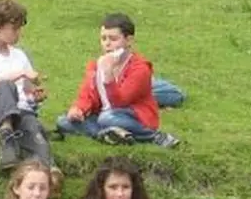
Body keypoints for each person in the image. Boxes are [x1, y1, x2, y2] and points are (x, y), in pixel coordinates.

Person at [59, 13, 180, 148]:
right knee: (64, 121)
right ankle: (110, 134)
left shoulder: (140, 68)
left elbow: (120, 102)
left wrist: (109, 78)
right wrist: (78, 109)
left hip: (131, 116)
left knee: (107, 118)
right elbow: (87, 94)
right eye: (103, 38)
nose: (107, 44)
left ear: (128, 40)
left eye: (113, 39)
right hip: (103, 114)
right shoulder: (95, 65)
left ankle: (153, 136)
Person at [0, 0, 53, 171]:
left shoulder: (19, 55)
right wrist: (20, 74)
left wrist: (36, 95)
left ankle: (49, 173)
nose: (18, 33)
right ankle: (6, 139)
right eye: (14, 28)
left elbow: (28, 91)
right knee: (5, 85)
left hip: (20, 112)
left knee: (36, 135)